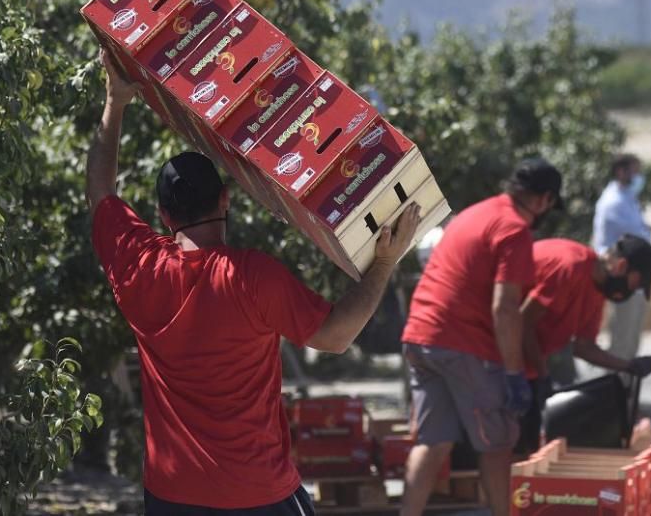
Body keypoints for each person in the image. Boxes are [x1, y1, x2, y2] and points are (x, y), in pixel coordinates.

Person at [86, 47, 421, 515]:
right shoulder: (250, 276)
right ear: (226, 200)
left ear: (164, 216)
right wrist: (384, 262)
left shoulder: (140, 267)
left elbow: (100, 193)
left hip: (172, 494)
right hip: (257, 492)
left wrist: (114, 102)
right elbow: (338, 335)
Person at [399, 158, 564, 516]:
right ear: (543, 199)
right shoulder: (514, 229)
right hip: (463, 343)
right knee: (498, 444)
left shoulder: (474, 214)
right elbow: (505, 308)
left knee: (433, 443)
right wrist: (514, 372)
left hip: (420, 336)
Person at [516, 234, 651, 454]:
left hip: (526, 368)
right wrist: (542, 373)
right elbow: (521, 322)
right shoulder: (570, 267)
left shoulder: (596, 291)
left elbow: (584, 346)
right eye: (637, 282)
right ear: (622, 266)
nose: (634, 290)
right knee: (505, 445)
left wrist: (629, 365)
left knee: (527, 447)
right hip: (494, 355)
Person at [592, 153, 651, 361]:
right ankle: (614, 390)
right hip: (621, 278)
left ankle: (626, 390)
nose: (638, 177)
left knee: (631, 344)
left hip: (635, 278)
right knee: (621, 345)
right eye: (634, 171)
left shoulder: (627, 198)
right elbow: (634, 238)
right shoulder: (613, 203)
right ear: (621, 171)